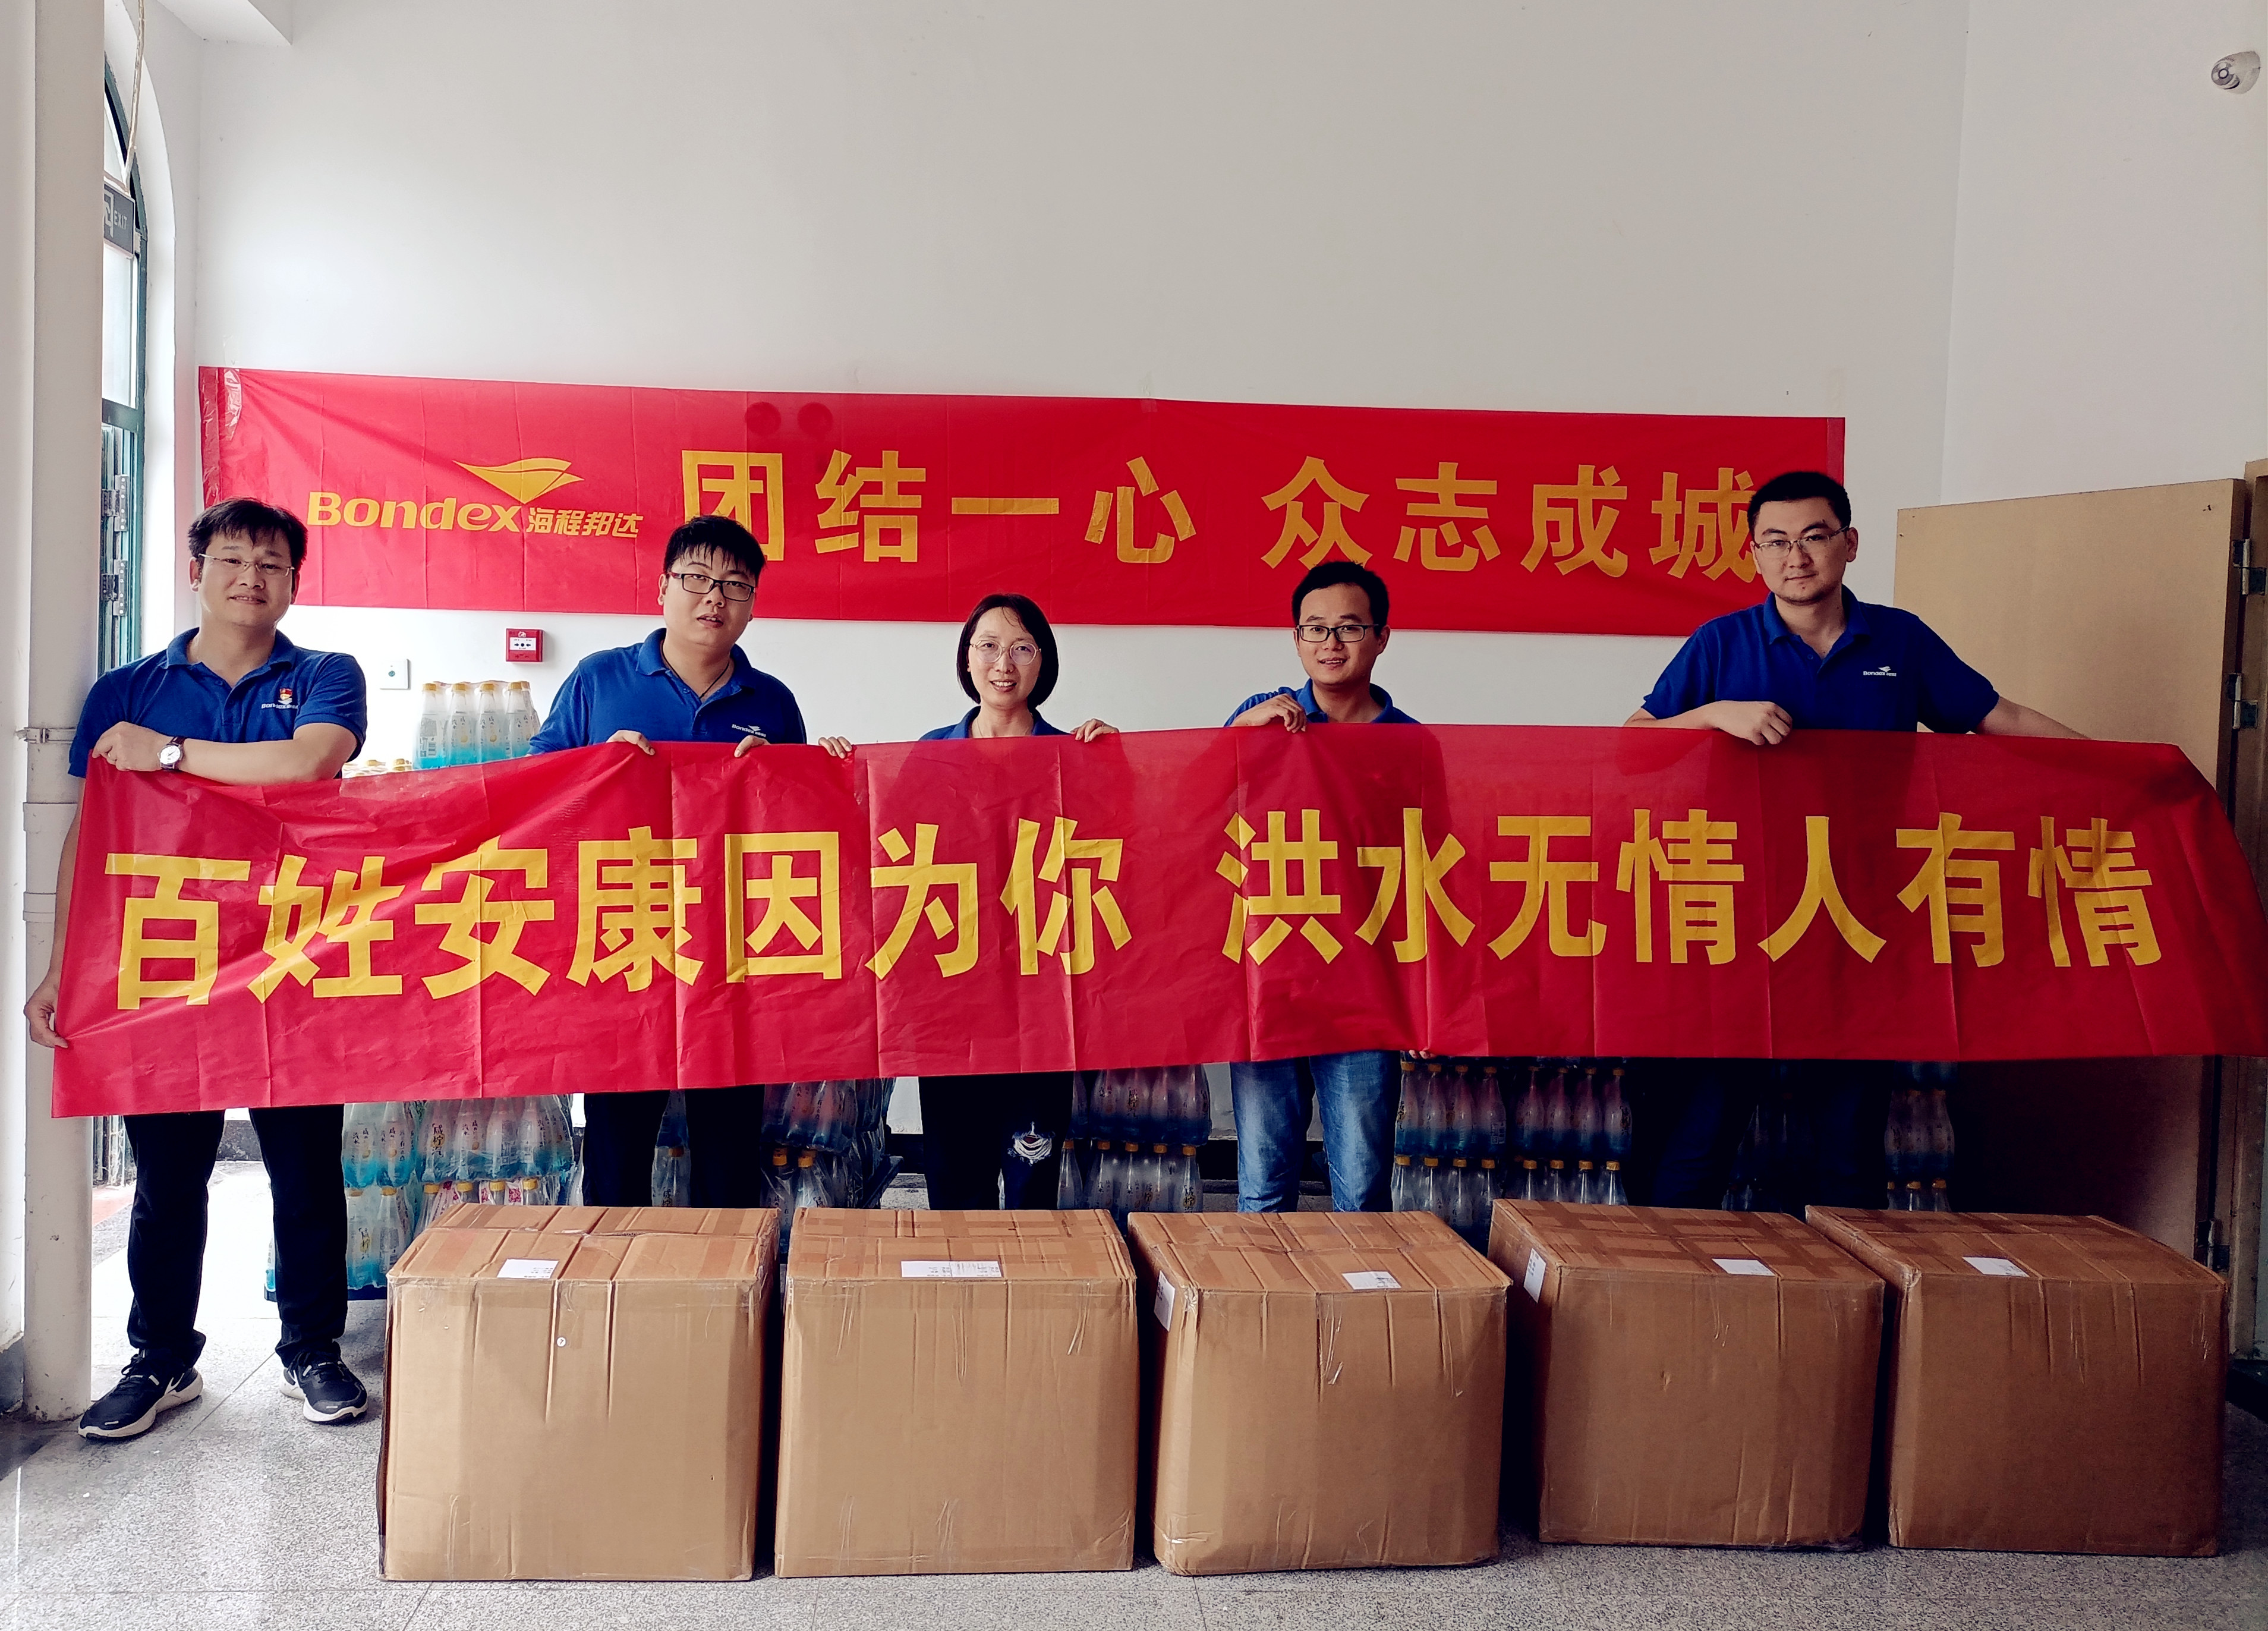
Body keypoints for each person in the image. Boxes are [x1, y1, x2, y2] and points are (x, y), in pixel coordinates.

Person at [1626, 468, 2081, 1208]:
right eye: (1776, 541)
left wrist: (2117, 765)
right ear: (1754, 554)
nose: (1795, 556)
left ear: (1850, 543)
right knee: (1703, 1133)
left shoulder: (1900, 639)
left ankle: (1847, 1282)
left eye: (1813, 536)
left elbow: (1999, 716)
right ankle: (1668, 1278)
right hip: (1740, 921)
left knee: (1849, 1145)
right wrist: (1712, 714)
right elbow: (1632, 748)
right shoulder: (1722, 644)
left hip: (1859, 920)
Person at [24, 499, 371, 1440]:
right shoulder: (127, 690)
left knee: (306, 1169)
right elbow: (92, 837)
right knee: (168, 1176)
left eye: (271, 563)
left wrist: (168, 756)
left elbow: (307, 765)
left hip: (294, 953)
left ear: (294, 582)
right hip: (168, 961)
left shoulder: (326, 676)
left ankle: (312, 1351)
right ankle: (161, 1358)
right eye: (232, 559)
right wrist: (64, 970)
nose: (250, 578)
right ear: (196, 571)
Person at [529, 512, 807, 1208]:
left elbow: (806, 830)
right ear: (662, 588)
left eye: (735, 585)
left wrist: (782, 778)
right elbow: (533, 789)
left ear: (752, 605)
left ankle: (728, 1278)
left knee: (728, 1152)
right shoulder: (599, 681)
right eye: (697, 578)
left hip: (733, 950)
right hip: (627, 936)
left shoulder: (773, 702)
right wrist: (596, 766)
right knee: (618, 1150)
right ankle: (614, 1273)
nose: (715, 597)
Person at [903, 593, 1118, 1208]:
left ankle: (1029, 1277)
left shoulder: (1071, 757)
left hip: (1040, 1001)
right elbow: (889, 861)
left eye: (1022, 648)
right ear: (967, 658)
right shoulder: (928, 755)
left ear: (1043, 662)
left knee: (1031, 1184)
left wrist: (1117, 767)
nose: (1004, 663)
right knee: (954, 1186)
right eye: (990, 646)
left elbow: (1119, 857)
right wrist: (833, 770)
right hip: (952, 1001)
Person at [1224, 559, 1413, 1213]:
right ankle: (1262, 1285)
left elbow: (1430, 872)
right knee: (1262, 1184)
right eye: (1315, 628)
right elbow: (1193, 807)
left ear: (1381, 637)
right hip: (1270, 973)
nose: (1331, 643)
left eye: (1349, 627)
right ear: (1297, 638)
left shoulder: (1410, 744)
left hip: (1365, 987)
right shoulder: (1260, 719)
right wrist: (1238, 739)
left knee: (1361, 1187)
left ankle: (1361, 1287)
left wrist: (1422, 1000)